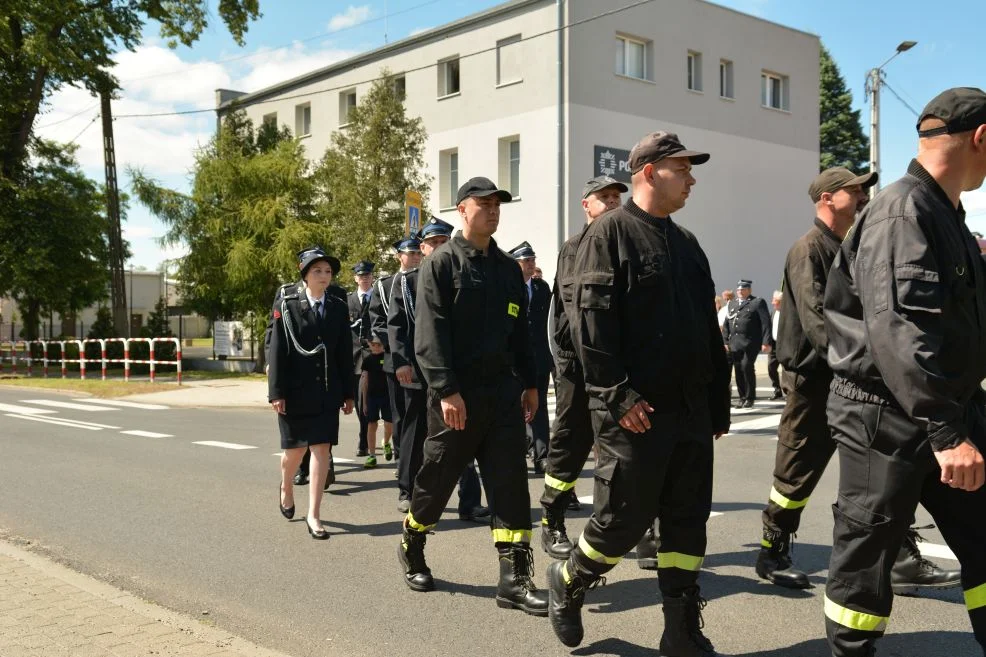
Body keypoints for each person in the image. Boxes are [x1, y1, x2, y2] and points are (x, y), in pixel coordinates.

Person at [547, 132, 730, 655]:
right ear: (648, 173)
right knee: (622, 519)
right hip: (636, 414)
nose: (692, 178)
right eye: (682, 169)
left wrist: (717, 400)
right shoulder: (607, 234)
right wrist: (616, 396)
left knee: (685, 522)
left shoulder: (688, 244)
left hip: (690, 410)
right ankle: (571, 578)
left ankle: (681, 628)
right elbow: (590, 329)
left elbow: (704, 331)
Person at [822, 87, 986, 657]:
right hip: (887, 418)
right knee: (865, 565)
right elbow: (902, 332)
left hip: (942, 412)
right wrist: (947, 432)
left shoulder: (946, 213)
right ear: (982, 137)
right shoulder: (904, 210)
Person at [755, 166, 959, 598]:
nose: (865, 195)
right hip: (814, 384)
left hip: (857, 383)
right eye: (855, 190)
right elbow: (820, 326)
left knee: (883, 475)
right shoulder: (808, 249)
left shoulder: (857, 242)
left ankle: (901, 560)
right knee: (795, 476)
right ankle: (772, 551)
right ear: (827, 198)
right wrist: (876, 365)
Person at [397, 177, 547, 617]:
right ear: (463, 210)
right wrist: (446, 390)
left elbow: (519, 332)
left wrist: (532, 383)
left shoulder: (504, 268)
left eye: (497, 203)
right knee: (437, 480)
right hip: (456, 398)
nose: (493, 210)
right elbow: (429, 334)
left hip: (501, 395)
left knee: (511, 485)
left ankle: (514, 580)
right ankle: (412, 543)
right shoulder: (441, 264)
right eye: (483, 204)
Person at [539, 175, 626, 562]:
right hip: (580, 366)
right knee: (571, 441)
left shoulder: (630, 243)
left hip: (623, 366)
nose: (611, 202)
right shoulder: (575, 248)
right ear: (585, 205)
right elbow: (572, 313)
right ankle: (553, 516)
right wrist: (571, 363)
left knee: (627, 447)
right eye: (603, 197)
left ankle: (634, 528)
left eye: (615, 197)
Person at [388, 217, 490, 519]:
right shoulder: (408, 281)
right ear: (422, 247)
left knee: (462, 433)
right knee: (415, 432)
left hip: (454, 372)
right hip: (418, 373)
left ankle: (469, 501)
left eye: (443, 240)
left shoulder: (463, 273)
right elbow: (397, 326)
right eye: (432, 242)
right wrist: (402, 362)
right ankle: (407, 490)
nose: (438, 246)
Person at [268, 247, 355, 540]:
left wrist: (349, 392)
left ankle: (314, 514)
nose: (324, 276)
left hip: (327, 391)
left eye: (328, 271)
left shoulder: (338, 306)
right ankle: (286, 486)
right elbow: (277, 349)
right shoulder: (288, 304)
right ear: (305, 274)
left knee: (321, 450)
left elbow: (345, 351)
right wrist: (276, 392)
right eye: (317, 271)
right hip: (294, 392)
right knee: (294, 452)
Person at [369, 241, 421, 466]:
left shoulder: (426, 279)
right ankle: (403, 459)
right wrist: (395, 347)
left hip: (422, 358)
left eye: (419, 253)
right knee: (400, 413)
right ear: (399, 256)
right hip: (396, 359)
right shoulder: (385, 285)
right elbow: (378, 320)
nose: (417, 257)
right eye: (411, 253)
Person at [508, 241, 553, 474]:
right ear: (516, 264)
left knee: (541, 406)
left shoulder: (541, 288)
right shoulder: (507, 287)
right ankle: (519, 451)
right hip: (515, 361)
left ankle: (541, 455)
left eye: (532, 260)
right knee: (514, 407)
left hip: (539, 358)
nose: (531, 264)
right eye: (526, 260)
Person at [348, 261, 383, 461]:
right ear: (356, 279)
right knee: (358, 402)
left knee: (367, 404)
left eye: (368, 276)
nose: (364, 279)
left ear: (372, 278)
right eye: (361, 276)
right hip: (354, 358)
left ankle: (364, 440)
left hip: (373, 359)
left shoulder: (378, 297)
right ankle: (365, 436)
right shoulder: (348, 300)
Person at [722, 280, 772, 408]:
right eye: (738, 290)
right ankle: (742, 396)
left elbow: (765, 323)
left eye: (743, 289)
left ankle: (750, 397)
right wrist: (725, 341)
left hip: (750, 343)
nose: (740, 292)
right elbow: (727, 324)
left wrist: (766, 342)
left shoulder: (757, 302)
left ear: (749, 290)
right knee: (738, 370)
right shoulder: (732, 304)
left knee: (746, 367)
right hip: (735, 344)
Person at [766, 291, 783, 400]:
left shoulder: (787, 313)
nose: (772, 303)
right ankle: (777, 390)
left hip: (784, 345)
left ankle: (789, 391)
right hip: (774, 345)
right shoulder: (773, 313)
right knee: (771, 368)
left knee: (786, 370)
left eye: (775, 301)